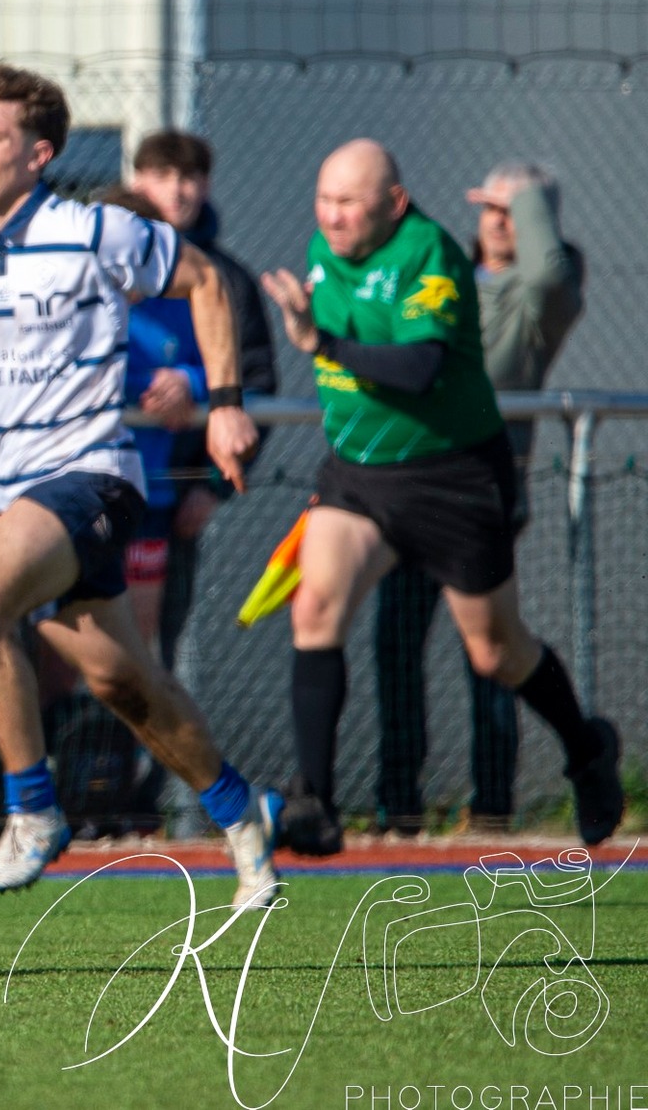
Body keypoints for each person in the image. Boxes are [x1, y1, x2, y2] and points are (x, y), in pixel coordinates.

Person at [0, 62, 283, 909]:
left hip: (96, 475)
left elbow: (203, 279)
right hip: (19, 498)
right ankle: (245, 822)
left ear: (40, 151)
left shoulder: (93, 231)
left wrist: (226, 404)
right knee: (127, 683)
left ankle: (31, 808)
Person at [260, 141, 621, 853]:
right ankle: (316, 801)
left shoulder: (430, 254)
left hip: (453, 476)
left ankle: (587, 749)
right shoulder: (326, 246)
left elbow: (420, 367)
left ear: (393, 203)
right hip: (360, 470)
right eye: (324, 200)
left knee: (494, 652)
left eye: (350, 203)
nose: (332, 217)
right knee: (316, 606)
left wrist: (320, 340)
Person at [371, 162, 585, 834]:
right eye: (488, 205)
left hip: (481, 498)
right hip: (409, 489)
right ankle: (397, 803)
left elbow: (550, 271)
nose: (495, 219)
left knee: (488, 651)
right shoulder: (445, 276)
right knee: (396, 647)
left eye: (510, 208)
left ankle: (493, 804)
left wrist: (530, 198)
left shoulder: (537, 298)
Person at [124, 133, 279, 668]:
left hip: (178, 491)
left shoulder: (228, 280)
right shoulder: (98, 266)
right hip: (91, 485)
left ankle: (150, 754)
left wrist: (214, 486)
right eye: (164, 175)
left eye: (190, 177)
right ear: (137, 181)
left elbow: (258, 387)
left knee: (154, 651)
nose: (178, 190)